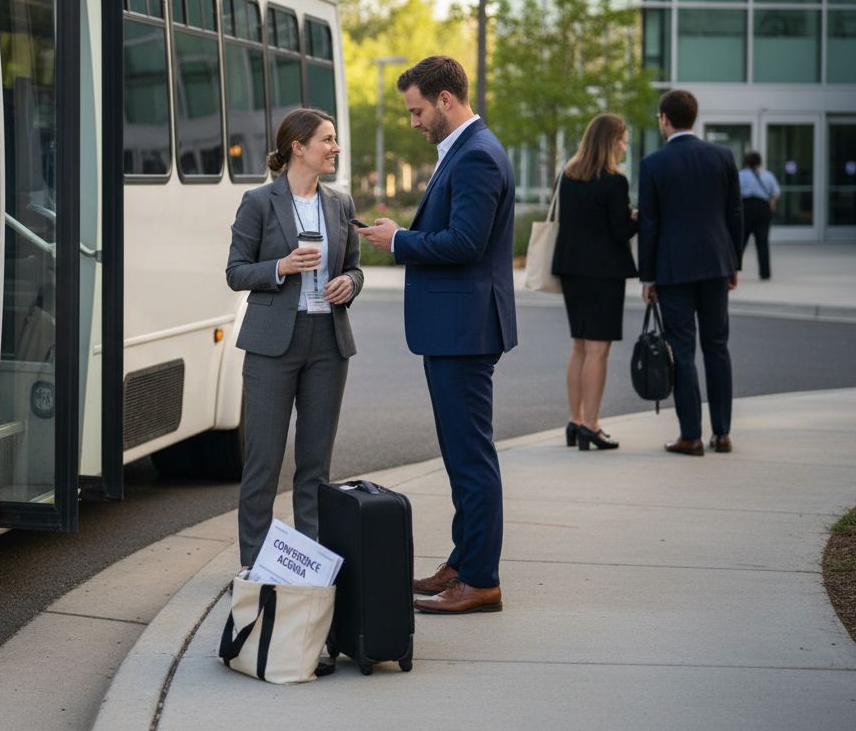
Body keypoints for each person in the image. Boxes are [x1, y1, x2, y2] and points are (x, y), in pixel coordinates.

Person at [357, 56, 516, 615]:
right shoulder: (468, 150)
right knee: (460, 454)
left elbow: (465, 243)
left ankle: (481, 580)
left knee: (471, 458)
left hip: (464, 331)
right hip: (458, 328)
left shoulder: (475, 156)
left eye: (417, 111)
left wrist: (399, 240)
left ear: (446, 100)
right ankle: (463, 561)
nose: (414, 122)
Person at [225, 108, 364, 568]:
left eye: (335, 140)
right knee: (263, 463)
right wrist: (280, 267)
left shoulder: (340, 204)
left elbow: (354, 266)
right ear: (297, 148)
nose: (335, 148)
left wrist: (351, 283)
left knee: (315, 467)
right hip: (272, 346)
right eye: (327, 139)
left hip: (328, 340)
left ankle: (311, 569)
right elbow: (236, 272)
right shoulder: (259, 202)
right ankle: (254, 565)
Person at [639, 89, 744, 456]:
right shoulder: (722, 157)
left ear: (665, 119)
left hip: (673, 270)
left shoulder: (653, 164)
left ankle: (691, 436)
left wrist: (648, 278)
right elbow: (735, 214)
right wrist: (734, 263)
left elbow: (649, 225)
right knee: (717, 348)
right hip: (717, 265)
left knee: (682, 352)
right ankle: (723, 433)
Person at [551, 113, 639, 451]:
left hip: (572, 269)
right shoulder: (614, 181)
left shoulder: (568, 177)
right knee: (598, 349)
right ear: (610, 141)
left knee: (579, 346)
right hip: (603, 273)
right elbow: (619, 231)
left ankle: (575, 420)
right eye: (622, 139)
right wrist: (637, 219)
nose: (625, 145)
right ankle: (591, 424)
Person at [739, 150, 780, 281]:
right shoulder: (768, 175)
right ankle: (765, 273)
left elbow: (734, 193)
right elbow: (775, 192)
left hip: (745, 208)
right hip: (763, 208)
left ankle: (733, 270)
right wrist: (771, 205)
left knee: (740, 242)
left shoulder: (740, 175)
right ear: (759, 162)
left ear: (746, 162)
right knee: (762, 242)